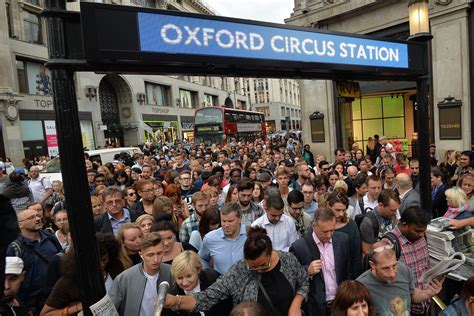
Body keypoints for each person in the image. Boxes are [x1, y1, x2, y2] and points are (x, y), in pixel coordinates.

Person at [165, 227, 309, 316]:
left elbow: (303, 283)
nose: (258, 270)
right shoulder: (239, 271)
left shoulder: (288, 260)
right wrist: (176, 301)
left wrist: (296, 304)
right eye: (252, 266)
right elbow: (208, 297)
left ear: (271, 253)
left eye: (263, 265)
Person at [290, 208, 352, 316]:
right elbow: (291, 278)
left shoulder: (343, 240)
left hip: (340, 305)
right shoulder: (299, 247)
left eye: (332, 230)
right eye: (325, 232)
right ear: (314, 226)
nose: (329, 235)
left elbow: (348, 271)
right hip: (315, 309)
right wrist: (307, 271)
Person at [357, 240, 444, 316]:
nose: (392, 274)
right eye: (385, 268)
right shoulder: (361, 286)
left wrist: (428, 293)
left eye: (394, 265)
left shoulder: (403, 269)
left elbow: (412, 294)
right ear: (372, 265)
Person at [7, 208, 63, 313]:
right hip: (32, 305)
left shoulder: (50, 237)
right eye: (31, 217)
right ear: (20, 225)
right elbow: (12, 278)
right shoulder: (15, 248)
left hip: (56, 298)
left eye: (38, 216)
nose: (37, 219)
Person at [109, 232, 173, 315]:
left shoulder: (172, 272)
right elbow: (110, 309)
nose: (156, 259)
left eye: (159, 253)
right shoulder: (125, 278)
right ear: (141, 255)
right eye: (150, 255)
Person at [387, 206, 431, 315]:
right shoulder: (390, 243)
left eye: (423, 231)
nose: (420, 234)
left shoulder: (422, 236)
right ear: (404, 224)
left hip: (425, 303)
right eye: (417, 231)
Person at [170, 251, 232, 316]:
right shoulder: (173, 293)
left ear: (198, 270)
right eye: (180, 278)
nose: (185, 283)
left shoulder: (212, 279)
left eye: (189, 276)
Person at [198, 202, 247, 275]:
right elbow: (202, 258)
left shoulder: (250, 235)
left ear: (240, 219)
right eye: (223, 221)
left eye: (230, 221)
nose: (226, 225)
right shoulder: (210, 238)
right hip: (221, 284)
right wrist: (209, 275)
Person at [326, 192, 361, 277]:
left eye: (344, 210)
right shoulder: (320, 225)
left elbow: (356, 255)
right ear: (328, 206)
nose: (341, 214)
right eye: (337, 210)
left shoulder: (352, 225)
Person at [360, 190, 400, 256]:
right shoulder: (369, 222)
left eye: (396, 210)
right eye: (392, 210)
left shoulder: (392, 215)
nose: (395, 213)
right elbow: (366, 251)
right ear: (381, 205)